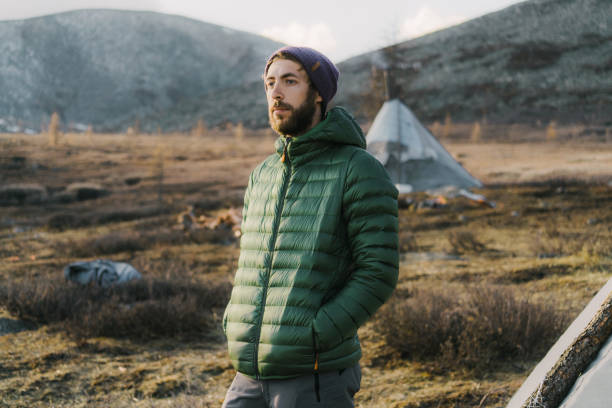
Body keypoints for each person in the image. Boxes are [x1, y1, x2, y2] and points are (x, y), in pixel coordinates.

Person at [221, 46, 399, 408]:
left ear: (319, 92)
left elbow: (378, 270)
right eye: (270, 83)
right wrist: (233, 322)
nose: (276, 92)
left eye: (290, 81)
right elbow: (252, 265)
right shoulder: (263, 174)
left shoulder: (357, 168)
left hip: (314, 374)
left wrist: (318, 332)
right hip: (249, 371)